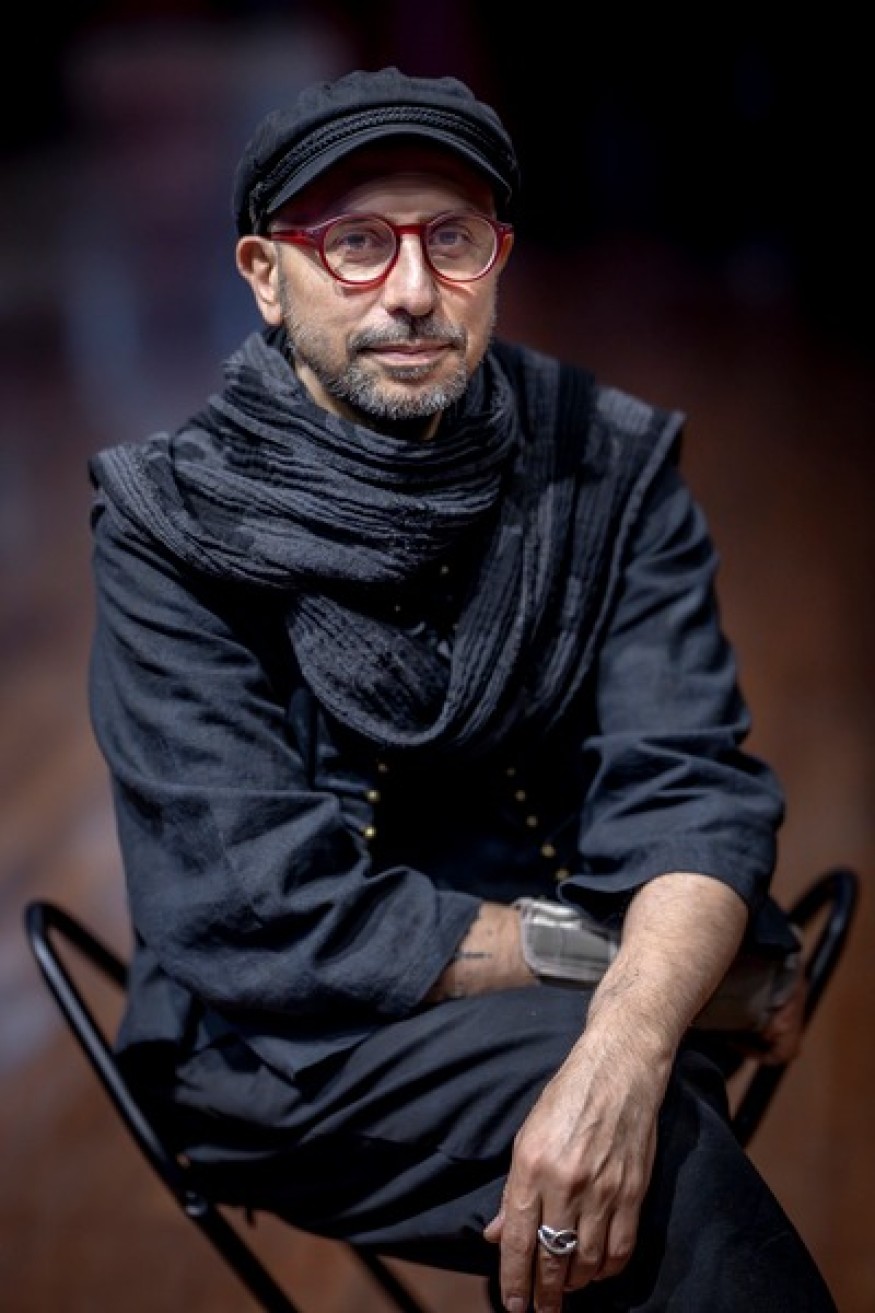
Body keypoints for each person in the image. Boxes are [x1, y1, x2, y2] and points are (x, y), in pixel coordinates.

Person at [86, 66, 836, 1312]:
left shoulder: (605, 461)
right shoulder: (173, 520)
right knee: (660, 1146)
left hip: (557, 1012)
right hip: (284, 1048)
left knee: (633, 1106)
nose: (412, 290)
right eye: (355, 244)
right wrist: (661, 980)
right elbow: (264, 917)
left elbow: (689, 790)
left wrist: (628, 1035)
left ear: (498, 256)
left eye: (451, 239)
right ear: (265, 275)